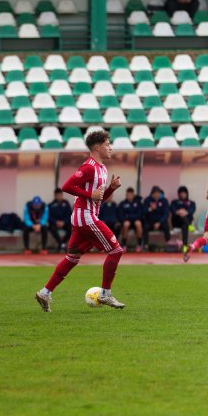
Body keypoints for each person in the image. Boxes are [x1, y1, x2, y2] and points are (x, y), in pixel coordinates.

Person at [34, 130, 126, 312]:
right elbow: (66, 186)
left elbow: (97, 199)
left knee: (72, 258)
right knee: (116, 250)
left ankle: (45, 292)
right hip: (85, 217)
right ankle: (105, 294)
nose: (111, 147)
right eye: (108, 144)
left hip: (84, 218)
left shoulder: (102, 169)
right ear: (97, 147)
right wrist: (90, 194)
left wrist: (111, 189)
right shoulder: (89, 167)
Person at [117, 187, 144, 252]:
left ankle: (139, 244)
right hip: (127, 222)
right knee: (126, 224)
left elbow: (140, 214)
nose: (128, 196)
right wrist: (126, 219)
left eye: (130, 195)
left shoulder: (138, 203)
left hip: (135, 221)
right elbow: (120, 215)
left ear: (133, 195)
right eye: (127, 195)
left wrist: (129, 216)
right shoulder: (122, 203)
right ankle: (124, 244)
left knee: (138, 223)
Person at [48, 188, 72, 253]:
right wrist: (56, 222)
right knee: (51, 228)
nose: (59, 196)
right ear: (55, 196)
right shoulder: (51, 205)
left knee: (72, 229)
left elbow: (70, 214)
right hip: (55, 223)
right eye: (58, 195)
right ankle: (62, 244)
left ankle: (61, 244)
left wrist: (63, 222)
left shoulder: (66, 203)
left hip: (65, 223)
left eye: (60, 195)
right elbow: (49, 217)